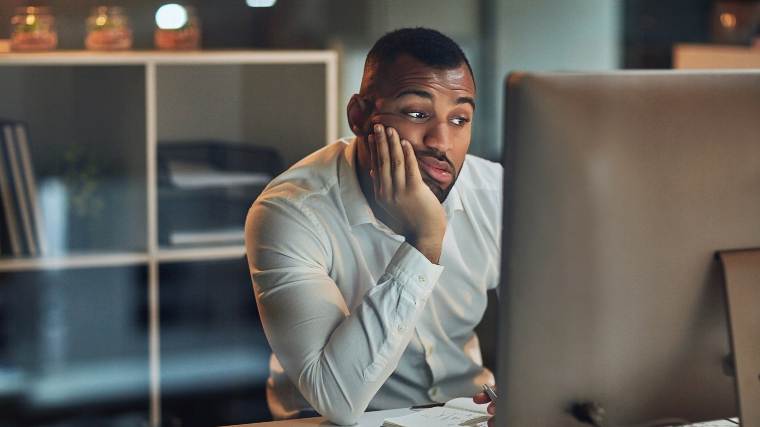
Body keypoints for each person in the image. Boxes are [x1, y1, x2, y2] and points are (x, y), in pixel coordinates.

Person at [244, 27, 501, 425]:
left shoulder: (495, 192)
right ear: (359, 116)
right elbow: (336, 398)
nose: (442, 141)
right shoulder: (289, 211)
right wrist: (424, 240)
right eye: (417, 113)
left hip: (464, 413)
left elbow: (558, 322)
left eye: (459, 119)